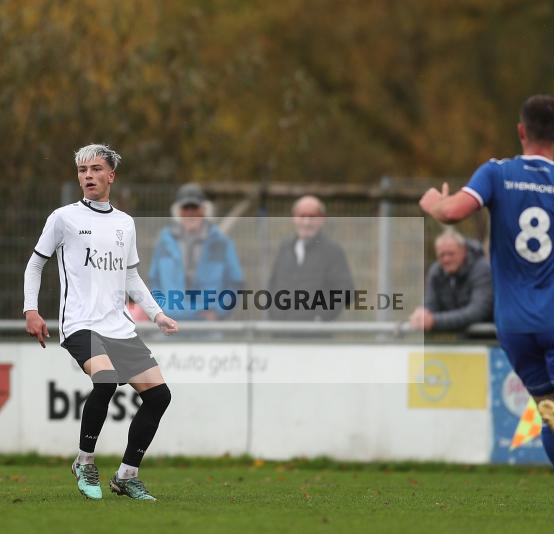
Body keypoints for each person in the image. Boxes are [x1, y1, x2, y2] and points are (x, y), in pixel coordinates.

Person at [419, 94, 554, 521]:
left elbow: (452, 213)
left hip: (513, 324)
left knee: (553, 418)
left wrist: (433, 204)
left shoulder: (496, 173)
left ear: (521, 130)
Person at [23, 143, 179, 502]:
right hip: (79, 324)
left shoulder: (125, 223)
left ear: (111, 176)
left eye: (95, 169)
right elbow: (35, 264)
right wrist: (30, 310)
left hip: (119, 327)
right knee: (106, 380)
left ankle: (127, 475)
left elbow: (131, 277)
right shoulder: (63, 218)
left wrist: (157, 314)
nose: (88, 176)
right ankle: (84, 462)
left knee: (159, 396)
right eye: (82, 170)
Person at [148, 183, 244, 320]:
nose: (190, 213)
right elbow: (154, 281)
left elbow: (235, 283)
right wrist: (161, 310)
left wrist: (218, 312)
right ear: (178, 211)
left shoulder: (222, 243)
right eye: (186, 208)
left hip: (208, 327)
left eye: (194, 207)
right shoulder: (163, 242)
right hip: (170, 323)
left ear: (204, 210)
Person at [267, 196, 355, 321]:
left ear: (322, 219)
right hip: (281, 332)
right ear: (294, 218)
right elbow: (273, 284)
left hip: (315, 336)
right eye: (302, 216)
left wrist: (320, 316)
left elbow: (346, 291)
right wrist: (274, 314)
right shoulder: (285, 247)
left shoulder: (332, 251)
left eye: (312, 216)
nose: (306, 222)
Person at [409, 228, 492, 332]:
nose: (446, 259)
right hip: (453, 340)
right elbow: (430, 304)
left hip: (487, 340)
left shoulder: (482, 269)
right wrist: (421, 315)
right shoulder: (436, 271)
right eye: (441, 255)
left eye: (451, 254)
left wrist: (435, 321)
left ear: (464, 251)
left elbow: (478, 311)